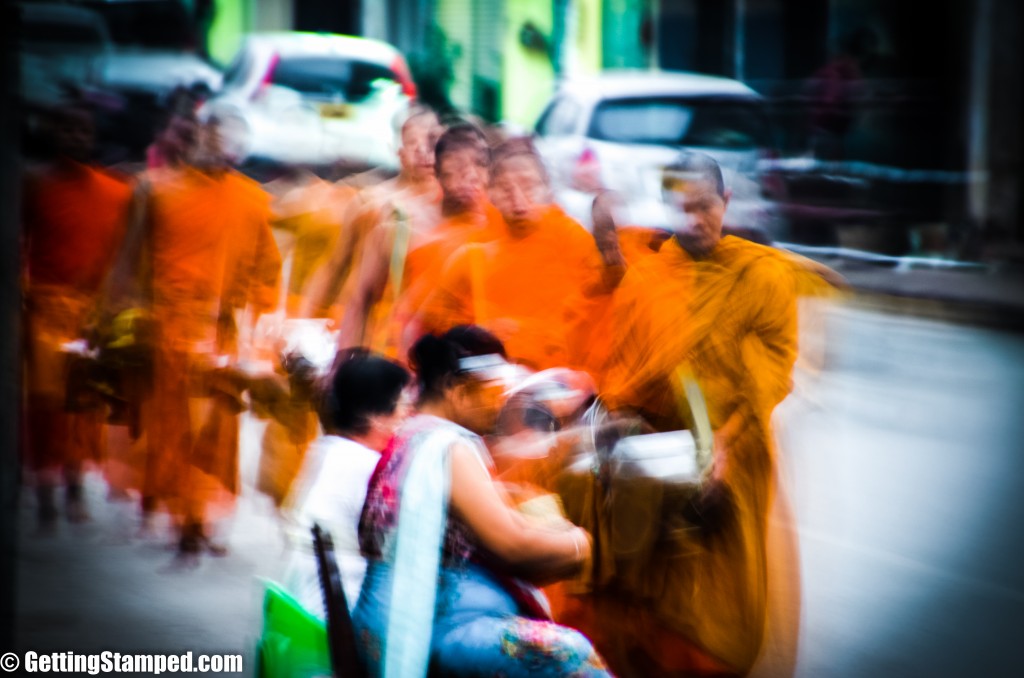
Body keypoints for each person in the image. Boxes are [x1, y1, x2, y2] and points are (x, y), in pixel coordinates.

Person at [566, 151, 834, 676]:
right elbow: (627, 377)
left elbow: (772, 374)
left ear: (725, 202)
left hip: (737, 454)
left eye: (705, 206)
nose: (694, 219)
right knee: (653, 597)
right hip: (659, 463)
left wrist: (723, 448)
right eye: (681, 207)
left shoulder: (761, 275)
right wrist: (619, 425)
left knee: (721, 610)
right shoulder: (648, 280)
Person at [352, 328, 610, 677]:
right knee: (569, 652)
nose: (499, 403)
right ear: (454, 388)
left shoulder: (412, 437)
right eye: (491, 392)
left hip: (383, 620)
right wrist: (582, 544)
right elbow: (512, 545)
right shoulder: (446, 446)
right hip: (430, 630)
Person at [101, 114, 282, 556]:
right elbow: (130, 258)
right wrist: (114, 318)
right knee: (172, 426)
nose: (220, 148)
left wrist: (264, 325)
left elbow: (266, 267)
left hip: (221, 332)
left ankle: (200, 515)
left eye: (230, 141)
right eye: (212, 137)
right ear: (195, 139)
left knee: (215, 429)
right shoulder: (156, 190)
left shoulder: (251, 199)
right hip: (166, 327)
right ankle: (184, 515)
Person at [21, 104, 133, 526]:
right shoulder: (34, 184)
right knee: (47, 406)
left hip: (94, 313)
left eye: (81, 129)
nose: (74, 137)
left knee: (83, 407)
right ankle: (47, 493)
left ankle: (74, 487)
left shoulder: (114, 191)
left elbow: (123, 257)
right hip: (44, 311)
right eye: (65, 128)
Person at [418, 138, 614, 372]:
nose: (519, 200)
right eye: (505, 189)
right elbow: (433, 320)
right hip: (494, 380)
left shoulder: (575, 242)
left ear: (547, 189)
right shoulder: (474, 252)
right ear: (490, 193)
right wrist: (479, 333)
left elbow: (601, 318)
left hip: (562, 379)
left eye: (529, 186)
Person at [339, 123, 504, 357]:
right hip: (411, 355)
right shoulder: (400, 226)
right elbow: (361, 299)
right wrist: (344, 361)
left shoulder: (501, 227)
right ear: (436, 171)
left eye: (480, 164)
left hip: (482, 357)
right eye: (457, 165)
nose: (470, 175)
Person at [282, 350, 412, 616]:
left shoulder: (327, 449)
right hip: (342, 612)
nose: (407, 414)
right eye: (401, 405)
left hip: (306, 599)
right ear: (376, 416)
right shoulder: (367, 467)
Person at [299, 106, 443, 323]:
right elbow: (336, 266)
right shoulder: (370, 202)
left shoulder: (454, 206)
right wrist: (306, 321)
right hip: (377, 324)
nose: (423, 152)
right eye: (413, 143)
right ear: (398, 149)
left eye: (432, 143)